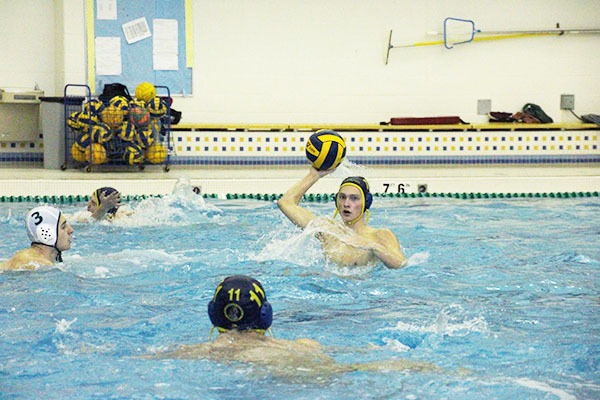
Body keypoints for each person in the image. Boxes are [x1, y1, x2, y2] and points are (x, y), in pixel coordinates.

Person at [147, 275, 440, 380]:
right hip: (303, 369)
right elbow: (355, 352)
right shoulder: (302, 345)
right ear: (266, 315)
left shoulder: (200, 353)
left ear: (214, 315)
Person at [277, 167, 407, 268]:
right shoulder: (327, 231)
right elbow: (285, 203)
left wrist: (372, 246)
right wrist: (315, 175)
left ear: (366, 202)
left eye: (354, 198)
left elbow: (400, 264)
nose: (346, 204)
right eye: (342, 197)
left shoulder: (380, 235)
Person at [0, 206, 74, 271]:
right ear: (47, 232)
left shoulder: (40, 261)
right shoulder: (34, 263)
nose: (71, 230)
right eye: (63, 227)